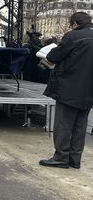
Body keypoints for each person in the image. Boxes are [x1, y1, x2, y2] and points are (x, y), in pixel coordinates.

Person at [40, 12, 93, 169]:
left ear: (74, 23)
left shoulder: (73, 36)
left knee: (64, 124)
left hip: (69, 87)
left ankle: (61, 157)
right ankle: (75, 159)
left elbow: (53, 56)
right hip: (89, 90)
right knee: (80, 126)